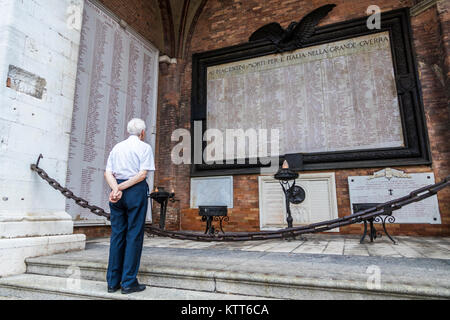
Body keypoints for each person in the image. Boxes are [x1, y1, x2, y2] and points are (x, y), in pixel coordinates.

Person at [104, 118, 155, 294]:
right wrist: (122, 187)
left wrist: (115, 188)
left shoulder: (117, 147)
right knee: (134, 235)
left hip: (116, 191)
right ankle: (128, 282)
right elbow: (142, 175)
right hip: (134, 191)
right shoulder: (145, 147)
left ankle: (112, 282)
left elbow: (108, 172)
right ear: (142, 133)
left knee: (117, 235)